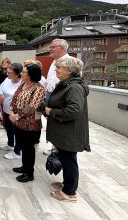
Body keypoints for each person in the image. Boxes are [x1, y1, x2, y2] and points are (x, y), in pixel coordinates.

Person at [45, 57, 90, 202]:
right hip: (64, 130)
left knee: (69, 160)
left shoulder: (74, 87)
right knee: (66, 159)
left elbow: (74, 110)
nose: (56, 70)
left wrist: (51, 112)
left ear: (70, 71)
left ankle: (69, 193)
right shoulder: (66, 84)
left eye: (60, 67)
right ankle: (67, 184)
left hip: (69, 132)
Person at [9, 63, 45, 182]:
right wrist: (11, 112)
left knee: (29, 149)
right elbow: (15, 98)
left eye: (23, 72)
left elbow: (32, 106)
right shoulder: (23, 84)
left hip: (30, 125)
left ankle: (29, 173)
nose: (21, 74)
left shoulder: (38, 88)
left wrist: (17, 116)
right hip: (19, 123)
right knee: (24, 147)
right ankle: (24, 167)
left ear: (30, 74)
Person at [44, 38, 70, 155]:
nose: (50, 49)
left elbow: (71, 84)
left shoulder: (69, 62)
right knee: (52, 124)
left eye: (53, 47)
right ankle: (54, 147)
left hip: (60, 98)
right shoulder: (54, 61)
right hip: (51, 96)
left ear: (61, 48)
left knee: (59, 124)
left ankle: (58, 149)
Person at [0, 63, 23, 159]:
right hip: (6, 109)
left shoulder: (22, 83)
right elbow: (1, 91)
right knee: (8, 128)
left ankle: (17, 152)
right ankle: (10, 144)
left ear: (18, 74)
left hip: (16, 112)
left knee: (17, 132)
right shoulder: (6, 80)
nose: (7, 74)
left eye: (10, 73)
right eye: (7, 72)